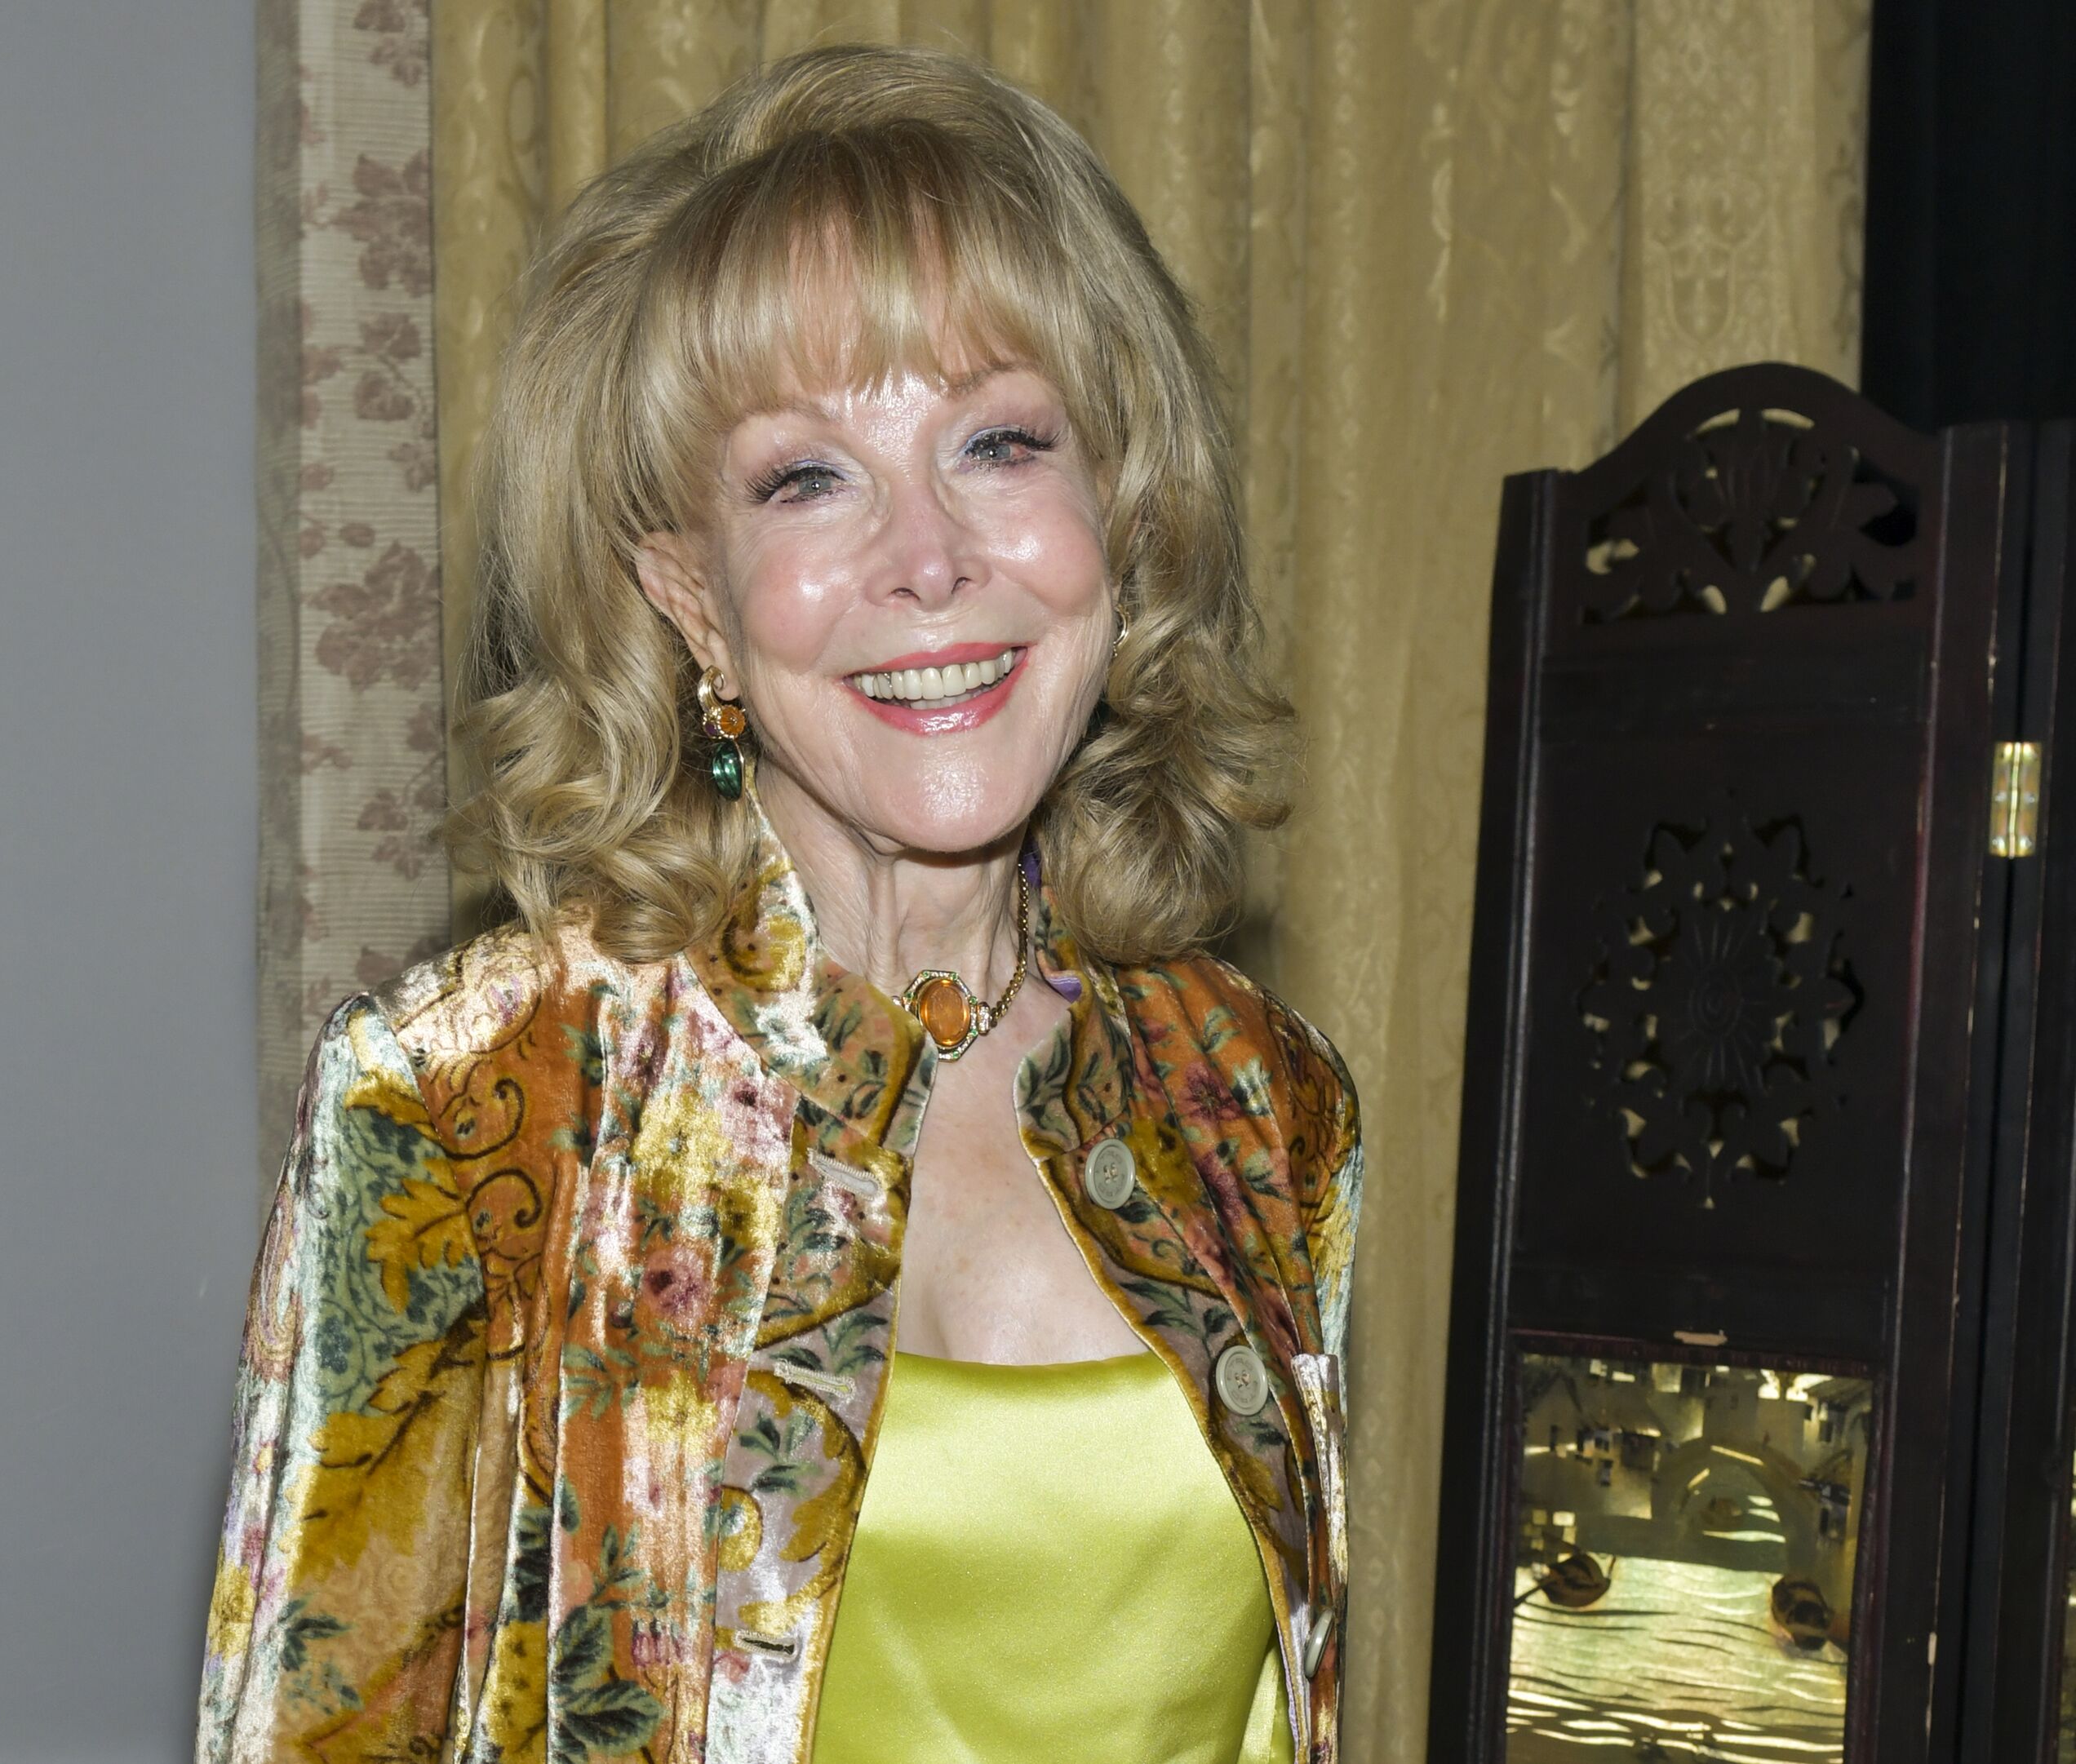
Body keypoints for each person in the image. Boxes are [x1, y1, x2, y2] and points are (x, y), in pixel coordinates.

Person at [197, 43, 1362, 1764]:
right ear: (690, 593)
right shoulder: (463, 1113)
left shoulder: (1260, 1104)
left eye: (999, 440)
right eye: (808, 476)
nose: (931, 557)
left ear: (1120, 506)